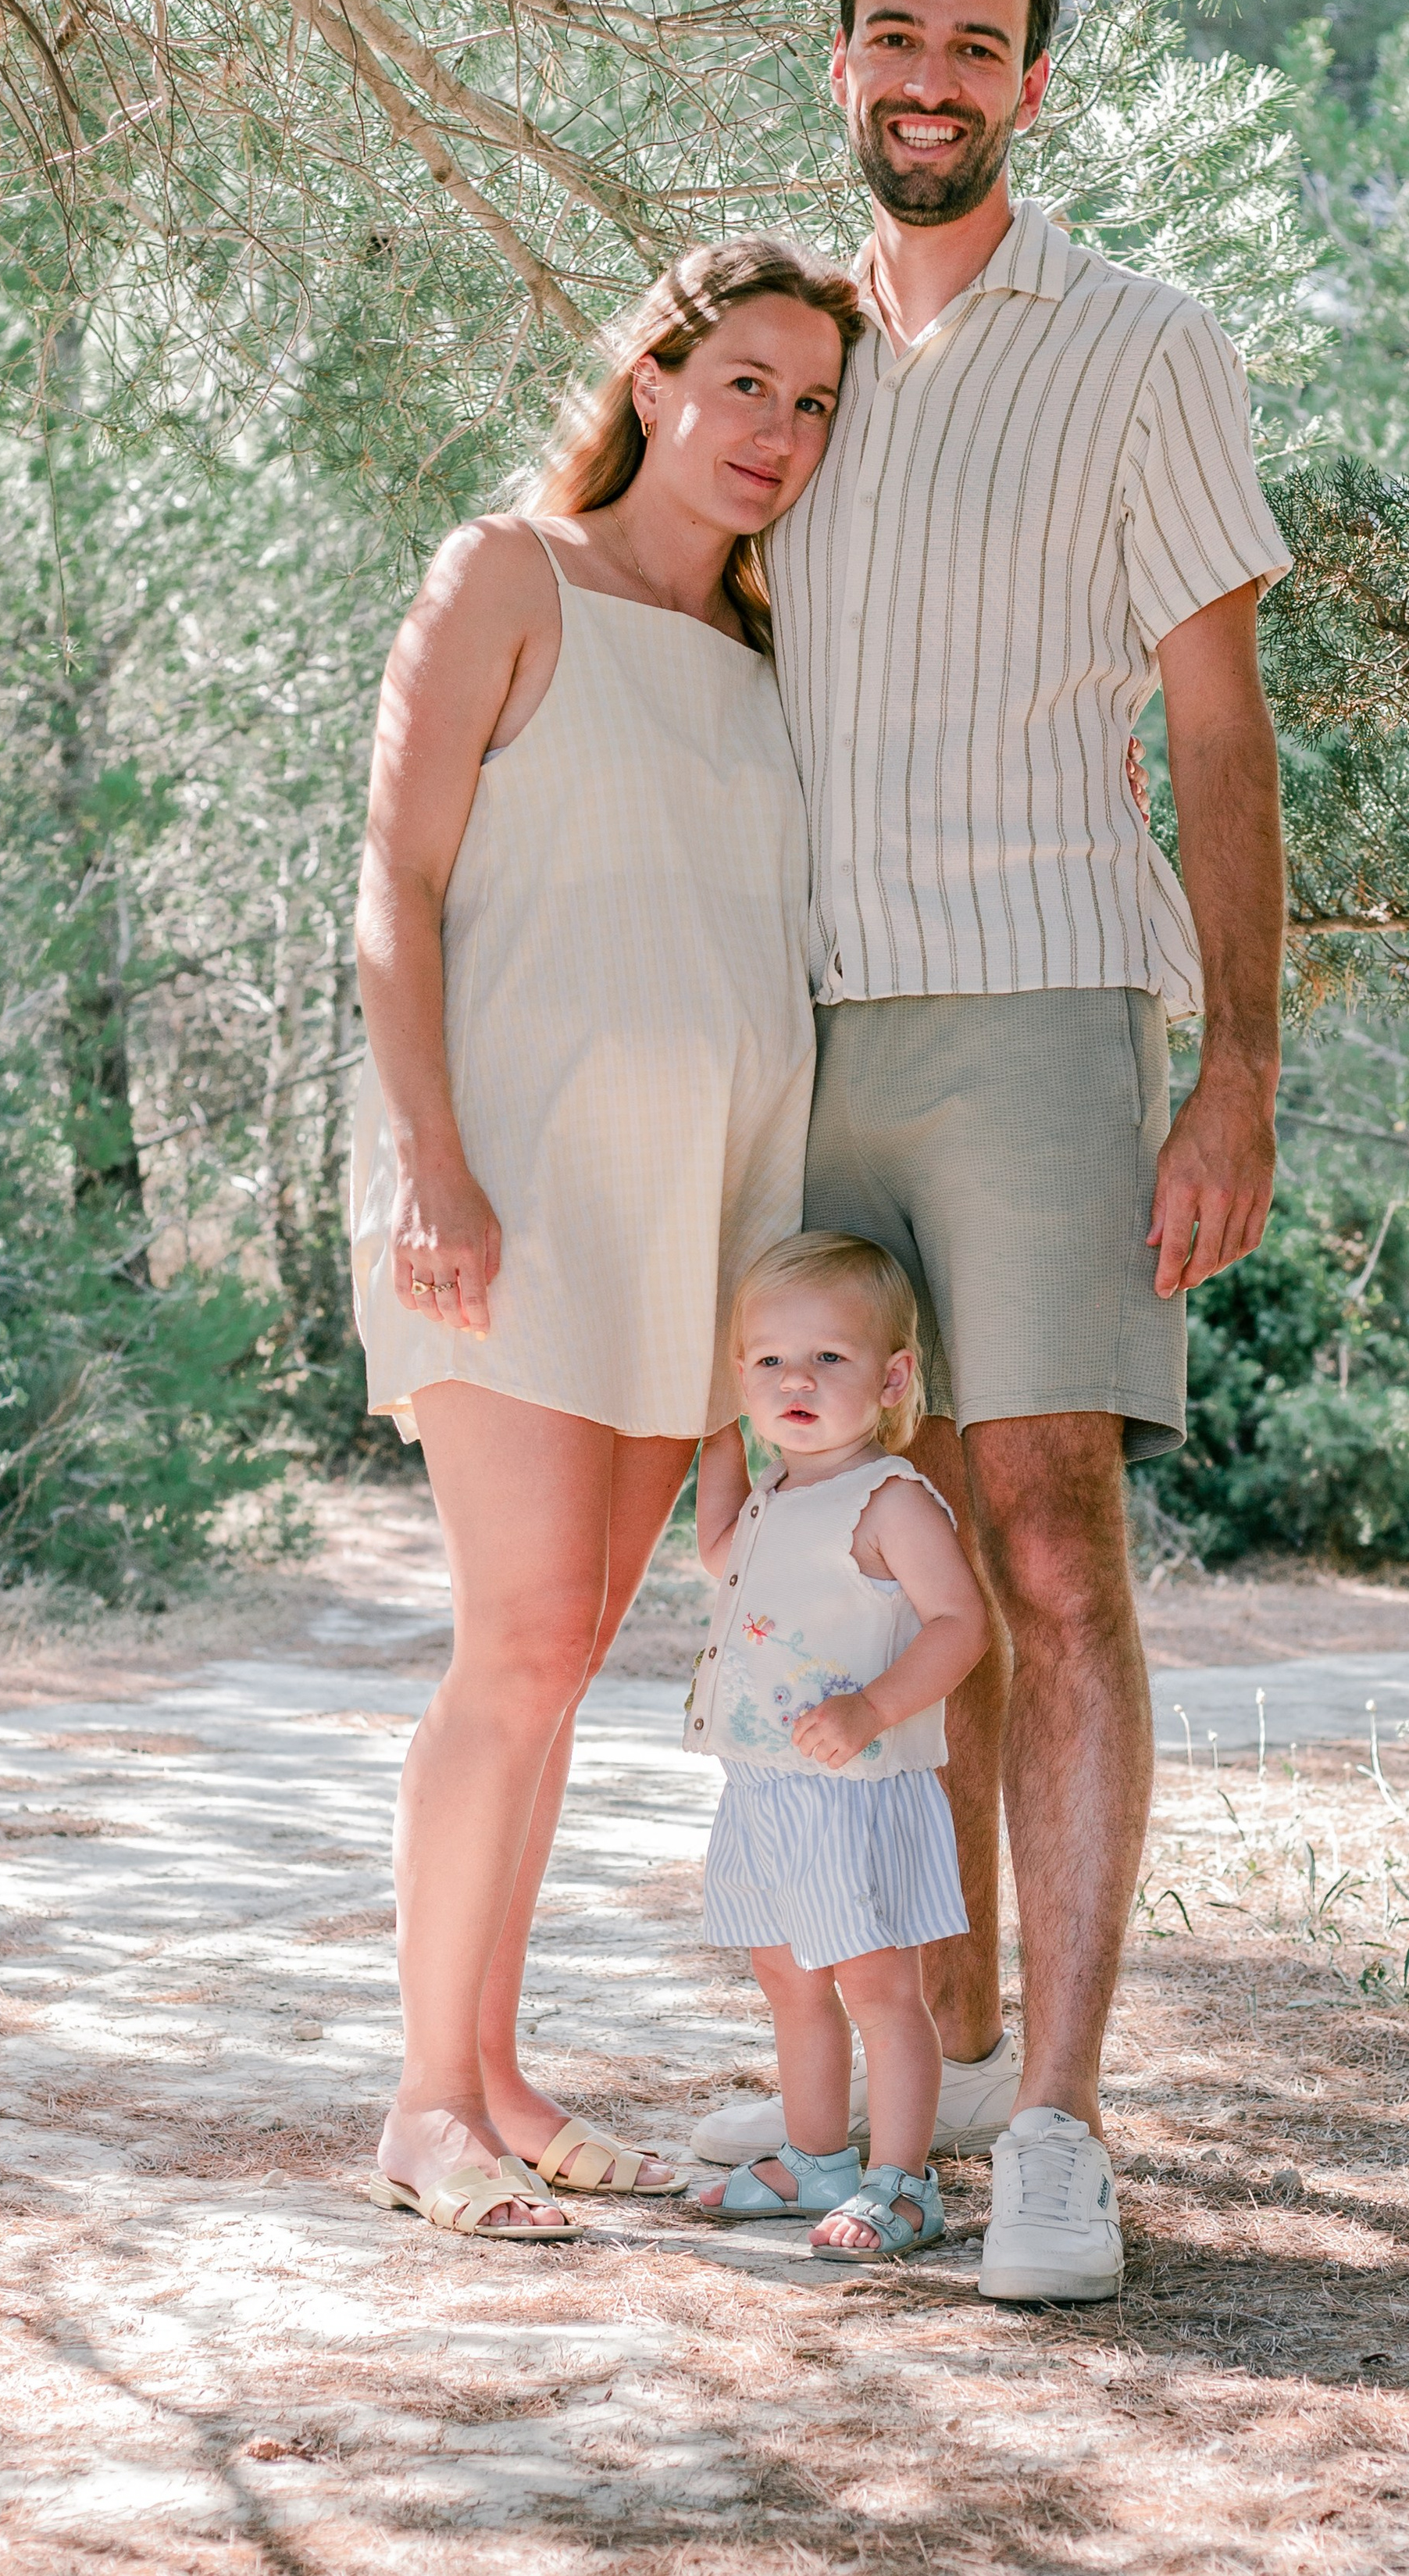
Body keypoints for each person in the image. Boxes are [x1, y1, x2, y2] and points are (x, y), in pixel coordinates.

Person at [689, 0, 1290, 2300]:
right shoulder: (786, 370)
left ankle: (1055, 2123)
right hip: (803, 1034)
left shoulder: (1143, 343)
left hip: (1046, 1009)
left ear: (1035, 82)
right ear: (839, 64)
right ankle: (895, 2095)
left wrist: (1238, 1061)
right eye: (889, 31)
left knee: (1047, 1553)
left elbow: (1220, 725)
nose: (929, 71)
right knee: (840, 1563)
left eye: (978, 38)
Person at [351, 236, 864, 2238]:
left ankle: (489, 2067)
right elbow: (395, 881)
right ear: (654, 379)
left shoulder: (759, 666)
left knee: (562, 1665)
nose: (776, 431)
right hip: (510, 1192)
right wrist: (428, 1155)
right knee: (516, 1642)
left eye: (813, 403)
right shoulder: (504, 576)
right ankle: (418, 2101)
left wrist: (753, 1336)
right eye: (744, 380)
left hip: (693, 1244)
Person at [683, 1231, 990, 2258]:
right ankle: (816, 2156)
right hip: (768, 1789)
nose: (794, 1379)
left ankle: (904, 2183)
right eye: (767, 1360)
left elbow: (959, 1622)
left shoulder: (889, 1497)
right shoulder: (776, 1496)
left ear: (893, 1376)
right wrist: (715, 1432)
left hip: (856, 1789)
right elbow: (719, 1552)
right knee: (788, 1977)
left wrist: (874, 1706)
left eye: (829, 1357)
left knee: (877, 1989)